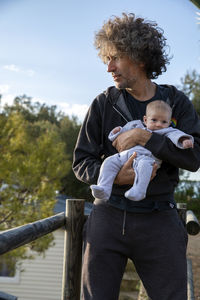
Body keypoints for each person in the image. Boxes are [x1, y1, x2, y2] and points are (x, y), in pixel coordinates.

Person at [73, 13, 200, 300]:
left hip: (160, 221)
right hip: (107, 218)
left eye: (115, 57)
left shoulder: (176, 102)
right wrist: (117, 176)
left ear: (139, 56)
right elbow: (81, 162)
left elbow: (194, 159)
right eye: (106, 59)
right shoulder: (103, 103)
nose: (109, 68)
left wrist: (146, 138)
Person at [90, 100, 194, 202]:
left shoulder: (167, 131)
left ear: (169, 123)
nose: (158, 124)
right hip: (127, 155)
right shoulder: (136, 125)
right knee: (109, 161)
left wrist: (183, 140)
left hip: (147, 158)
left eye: (164, 122)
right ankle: (104, 188)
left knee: (144, 167)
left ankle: (139, 190)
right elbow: (120, 137)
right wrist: (116, 132)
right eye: (154, 120)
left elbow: (176, 135)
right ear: (145, 120)